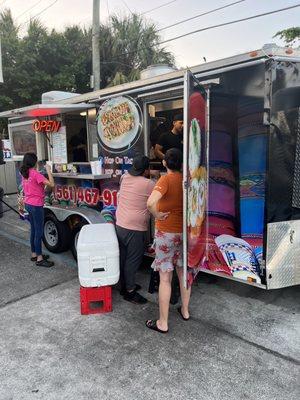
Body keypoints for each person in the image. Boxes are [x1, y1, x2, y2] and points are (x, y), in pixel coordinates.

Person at [146, 148, 191, 333]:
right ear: (181, 163)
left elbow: (150, 202)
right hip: (185, 234)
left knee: (165, 278)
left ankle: (163, 323)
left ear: (164, 163)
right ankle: (185, 311)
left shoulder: (165, 179)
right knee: (183, 274)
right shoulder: (187, 180)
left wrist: (157, 214)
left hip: (166, 233)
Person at [116, 155, 155, 304]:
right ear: (146, 170)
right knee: (133, 260)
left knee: (123, 257)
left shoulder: (124, 177)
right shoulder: (148, 184)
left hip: (120, 224)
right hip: (135, 228)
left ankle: (124, 286)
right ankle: (130, 292)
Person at [20, 153, 55, 268]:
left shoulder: (24, 173)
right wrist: (48, 170)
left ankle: (34, 254)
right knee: (39, 232)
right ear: (34, 162)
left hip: (28, 204)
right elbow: (52, 184)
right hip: (36, 206)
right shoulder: (35, 174)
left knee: (34, 230)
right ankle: (39, 259)